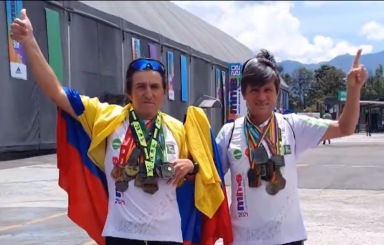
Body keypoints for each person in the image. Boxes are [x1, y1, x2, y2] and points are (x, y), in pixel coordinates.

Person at [10, 9, 232, 245]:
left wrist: (192, 166)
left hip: (167, 236)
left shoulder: (179, 129)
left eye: (155, 87)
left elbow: (199, 181)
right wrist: (29, 42)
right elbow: (56, 93)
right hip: (121, 234)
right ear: (129, 92)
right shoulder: (106, 118)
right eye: (141, 86)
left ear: (164, 92)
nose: (148, 93)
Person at [216, 49, 366, 245]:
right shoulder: (228, 134)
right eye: (254, 90)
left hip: (288, 238)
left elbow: (344, 127)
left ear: (277, 93)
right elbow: (208, 177)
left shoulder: (292, 126)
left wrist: (353, 89)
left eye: (267, 90)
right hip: (243, 239)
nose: (261, 97)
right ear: (244, 93)